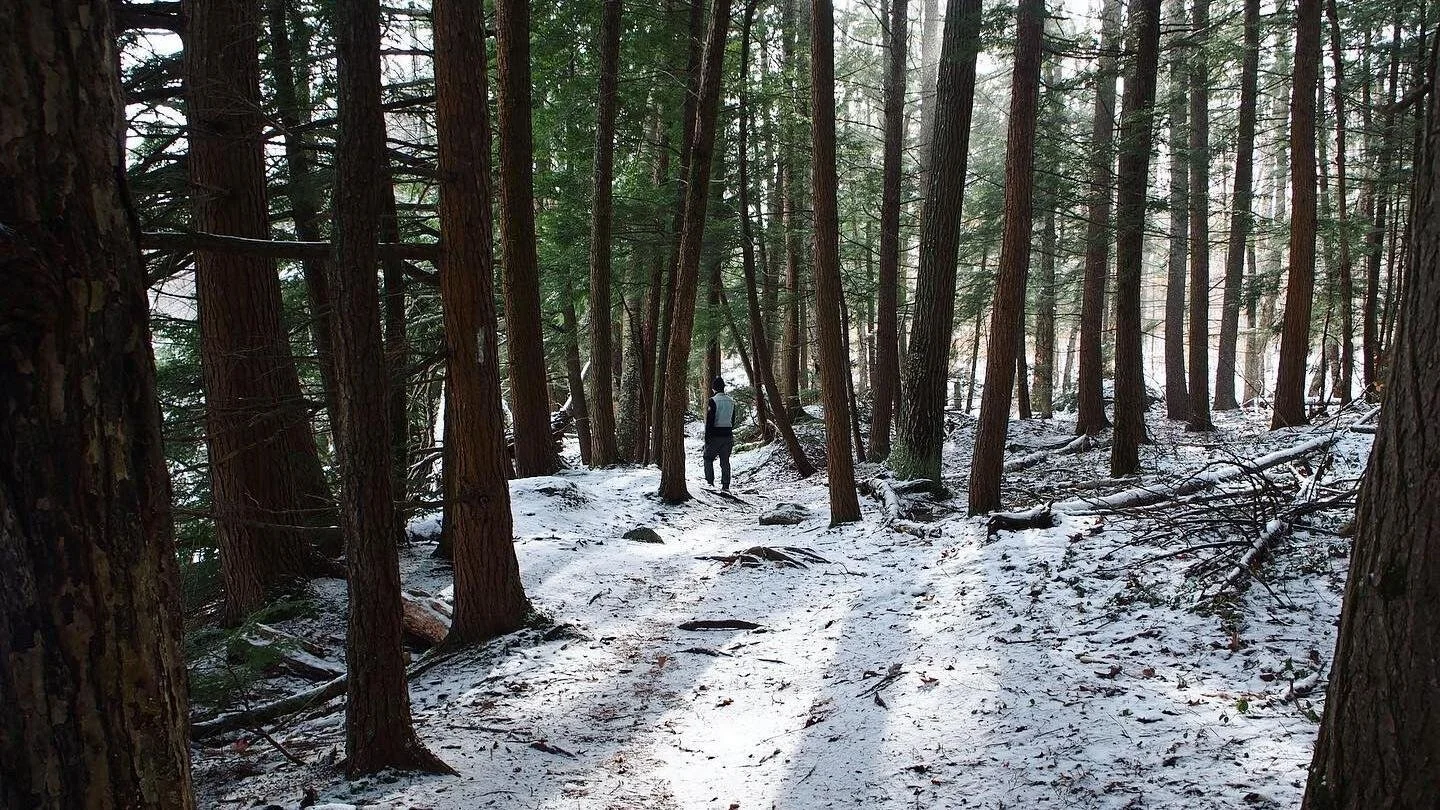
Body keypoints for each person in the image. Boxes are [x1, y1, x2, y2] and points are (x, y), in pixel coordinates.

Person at [704, 376, 735, 491]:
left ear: (714, 389)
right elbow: (733, 419)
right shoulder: (731, 401)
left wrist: (707, 437)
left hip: (715, 435)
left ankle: (709, 483)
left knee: (707, 458)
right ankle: (726, 485)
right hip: (728, 434)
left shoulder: (712, 401)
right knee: (725, 461)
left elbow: (710, 421)